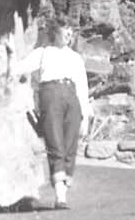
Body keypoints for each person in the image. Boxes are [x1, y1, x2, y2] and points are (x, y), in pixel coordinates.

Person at [15, 23, 92, 208]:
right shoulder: (42, 53)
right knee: (55, 143)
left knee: (70, 144)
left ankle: (63, 189)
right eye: (65, 30)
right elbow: (20, 68)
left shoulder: (75, 58)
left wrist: (86, 116)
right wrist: (10, 55)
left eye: (71, 31)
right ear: (54, 33)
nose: (69, 34)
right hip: (50, 95)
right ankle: (60, 196)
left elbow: (82, 88)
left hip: (72, 98)